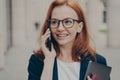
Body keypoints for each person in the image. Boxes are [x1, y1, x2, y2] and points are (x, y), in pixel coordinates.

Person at [28, 0, 109, 80]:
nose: (60, 28)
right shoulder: (37, 61)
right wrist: (49, 60)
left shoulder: (97, 62)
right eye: (54, 22)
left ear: (80, 26)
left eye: (67, 22)